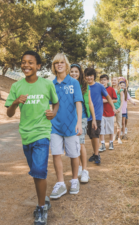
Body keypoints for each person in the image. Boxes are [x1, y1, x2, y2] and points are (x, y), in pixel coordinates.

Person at [5, 51, 59, 225]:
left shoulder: (47, 84)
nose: (26, 65)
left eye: (30, 62)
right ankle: (45, 199)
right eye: (23, 62)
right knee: (36, 173)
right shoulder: (17, 87)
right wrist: (15, 103)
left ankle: (41, 207)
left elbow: (55, 102)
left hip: (42, 133)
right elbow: (9, 113)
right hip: (26, 135)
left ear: (38, 66)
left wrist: (53, 113)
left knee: (39, 171)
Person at [50, 53, 83, 199]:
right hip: (55, 126)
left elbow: (78, 103)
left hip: (71, 126)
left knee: (74, 154)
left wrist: (79, 123)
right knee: (56, 154)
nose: (59, 65)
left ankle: (75, 180)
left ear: (66, 64)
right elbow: (49, 103)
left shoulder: (74, 83)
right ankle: (60, 183)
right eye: (56, 63)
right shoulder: (51, 84)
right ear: (54, 66)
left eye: (62, 62)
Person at [70, 63, 97, 183]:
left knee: (80, 143)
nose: (74, 74)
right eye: (71, 71)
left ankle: (85, 170)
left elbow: (90, 102)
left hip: (83, 118)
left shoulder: (85, 86)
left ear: (80, 73)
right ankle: (79, 166)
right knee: (73, 144)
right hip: (69, 118)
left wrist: (94, 119)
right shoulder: (67, 84)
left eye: (76, 71)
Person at [84, 68, 116, 164]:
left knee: (95, 134)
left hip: (97, 115)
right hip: (87, 114)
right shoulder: (83, 87)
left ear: (94, 76)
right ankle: (95, 153)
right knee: (91, 135)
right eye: (87, 75)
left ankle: (97, 155)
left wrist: (113, 108)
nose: (89, 77)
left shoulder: (99, 86)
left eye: (91, 75)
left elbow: (108, 97)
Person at [99, 74, 117, 151]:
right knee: (101, 128)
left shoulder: (111, 89)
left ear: (107, 81)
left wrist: (106, 101)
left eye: (104, 80)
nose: (103, 81)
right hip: (101, 112)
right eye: (101, 80)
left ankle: (111, 142)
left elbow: (115, 99)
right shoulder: (98, 89)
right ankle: (102, 144)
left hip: (110, 112)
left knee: (110, 128)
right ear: (100, 81)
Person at [112, 77, 124, 144]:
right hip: (112, 109)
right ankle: (114, 135)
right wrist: (113, 108)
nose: (114, 81)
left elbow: (122, 101)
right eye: (113, 80)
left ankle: (119, 138)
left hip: (118, 109)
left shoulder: (120, 90)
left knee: (119, 123)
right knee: (113, 124)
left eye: (115, 80)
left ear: (117, 81)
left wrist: (119, 108)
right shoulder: (110, 89)